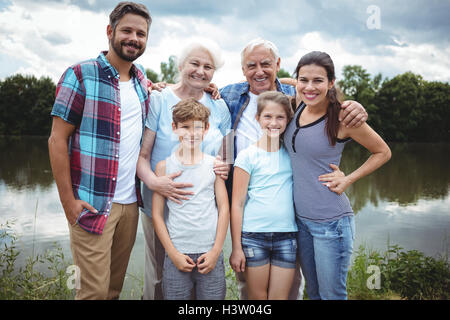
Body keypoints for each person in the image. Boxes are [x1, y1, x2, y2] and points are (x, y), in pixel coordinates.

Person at [218, 38, 369, 300]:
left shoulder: (296, 99)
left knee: (291, 292)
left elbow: (319, 91)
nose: (259, 71)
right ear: (242, 69)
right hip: (249, 222)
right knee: (252, 294)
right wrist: (164, 86)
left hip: (292, 224)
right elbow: (194, 98)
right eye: (251, 65)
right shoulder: (227, 95)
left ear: (278, 64)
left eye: (266, 64)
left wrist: (352, 104)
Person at [48, 2, 151, 300]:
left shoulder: (142, 81)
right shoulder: (80, 74)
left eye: (141, 34)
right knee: (91, 293)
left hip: (129, 205)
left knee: (113, 291)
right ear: (110, 31)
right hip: (91, 205)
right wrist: (69, 203)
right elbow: (57, 141)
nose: (134, 38)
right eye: (127, 30)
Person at [284, 51, 391, 300]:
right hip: (301, 223)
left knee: (332, 295)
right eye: (304, 80)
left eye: (318, 80)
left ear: (331, 82)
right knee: (314, 293)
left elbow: (383, 152)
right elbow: (294, 84)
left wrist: (348, 179)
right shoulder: (299, 104)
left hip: (331, 224)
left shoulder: (343, 118)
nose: (310, 87)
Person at [136, 40, 231, 299]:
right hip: (161, 200)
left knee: (206, 279)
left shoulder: (219, 105)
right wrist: (156, 184)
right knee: (160, 276)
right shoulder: (159, 98)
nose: (201, 71)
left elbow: (229, 146)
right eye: (195, 64)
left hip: (203, 207)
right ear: (181, 66)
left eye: (208, 67)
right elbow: (142, 156)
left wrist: (224, 165)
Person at [151, 98, 229, 300]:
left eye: (197, 127)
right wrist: (173, 253)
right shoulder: (163, 167)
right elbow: (157, 215)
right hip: (177, 253)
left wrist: (216, 251)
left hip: (209, 252)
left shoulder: (214, 165)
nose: (192, 133)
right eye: (185, 127)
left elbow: (224, 208)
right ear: (174, 128)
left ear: (206, 129)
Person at [230, 91, 298, 299]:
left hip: (287, 237)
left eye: (280, 117)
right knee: (257, 298)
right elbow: (237, 204)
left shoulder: (292, 154)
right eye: (268, 116)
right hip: (253, 237)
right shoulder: (247, 155)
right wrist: (236, 248)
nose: (274, 122)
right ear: (257, 118)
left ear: (288, 120)